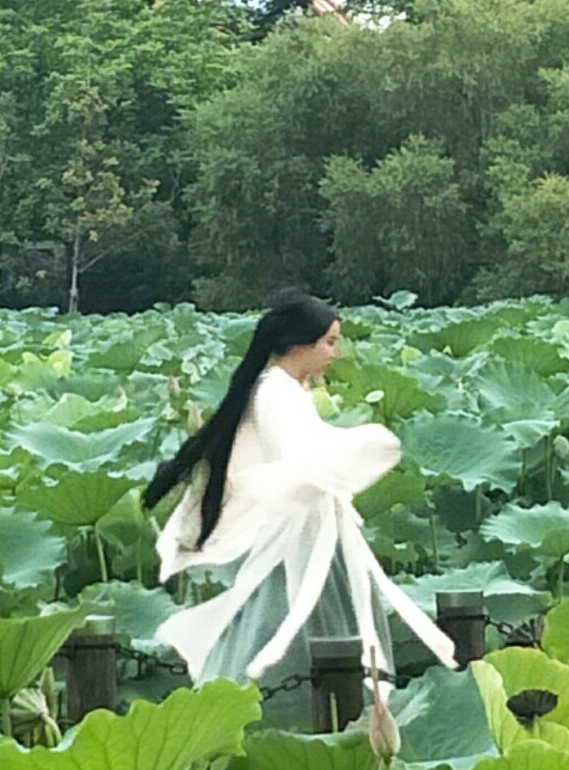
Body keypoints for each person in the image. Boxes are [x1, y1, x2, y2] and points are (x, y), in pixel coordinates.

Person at [144, 289, 457, 699]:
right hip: (295, 532)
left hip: (313, 526)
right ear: (298, 344)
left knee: (306, 621)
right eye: (328, 342)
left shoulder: (287, 389)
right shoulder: (273, 390)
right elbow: (294, 461)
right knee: (280, 621)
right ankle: (297, 710)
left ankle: (330, 709)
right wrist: (364, 444)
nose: (334, 352)